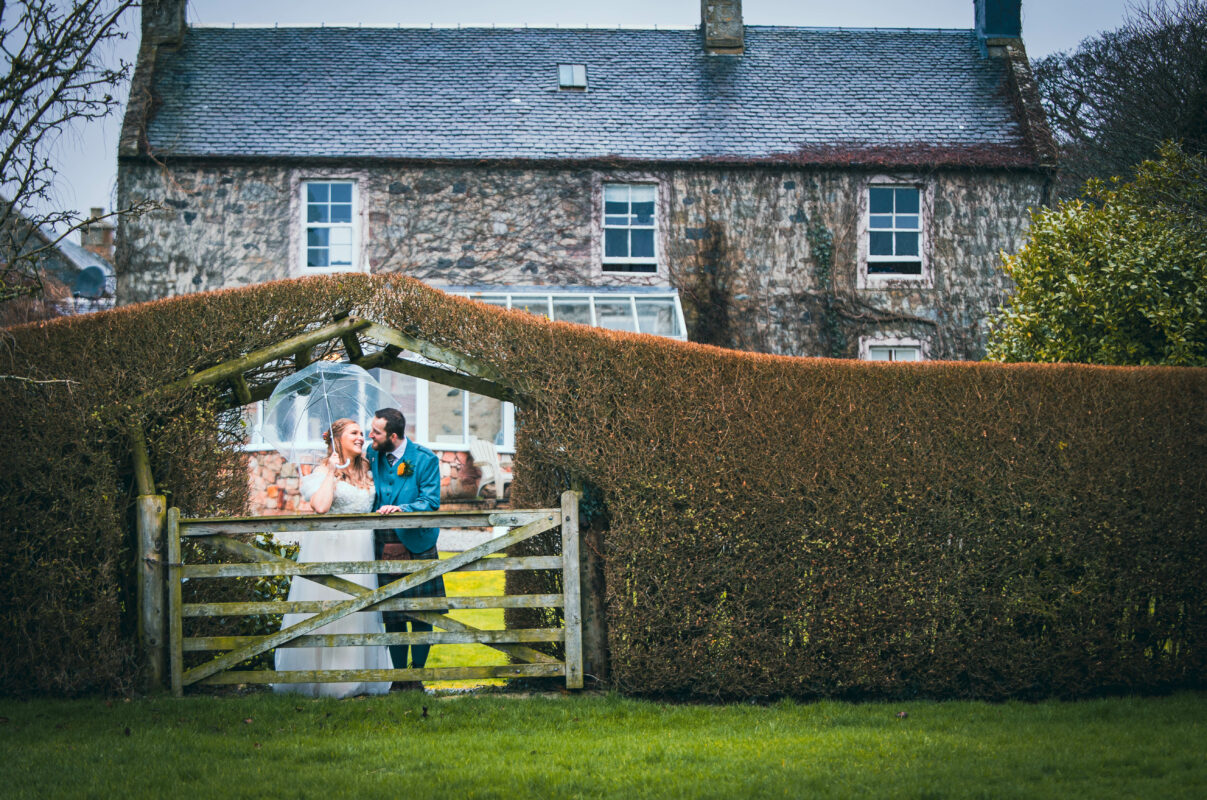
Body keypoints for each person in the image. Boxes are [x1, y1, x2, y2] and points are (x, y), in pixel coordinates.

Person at [273, 418, 391, 698]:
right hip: (331, 547)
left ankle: (354, 678)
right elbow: (321, 506)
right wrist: (331, 471)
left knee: (357, 612)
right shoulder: (322, 470)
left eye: (362, 433)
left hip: (361, 548)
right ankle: (326, 682)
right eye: (354, 433)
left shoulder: (367, 469)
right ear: (337, 439)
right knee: (330, 611)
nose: (361, 437)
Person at [368, 407, 443, 692]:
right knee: (393, 613)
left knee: (421, 613)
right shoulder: (372, 454)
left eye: (376, 432)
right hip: (382, 540)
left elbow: (430, 500)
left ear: (394, 436)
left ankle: (417, 676)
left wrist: (404, 508)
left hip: (417, 543)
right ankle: (399, 678)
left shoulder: (424, 459)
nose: (370, 436)